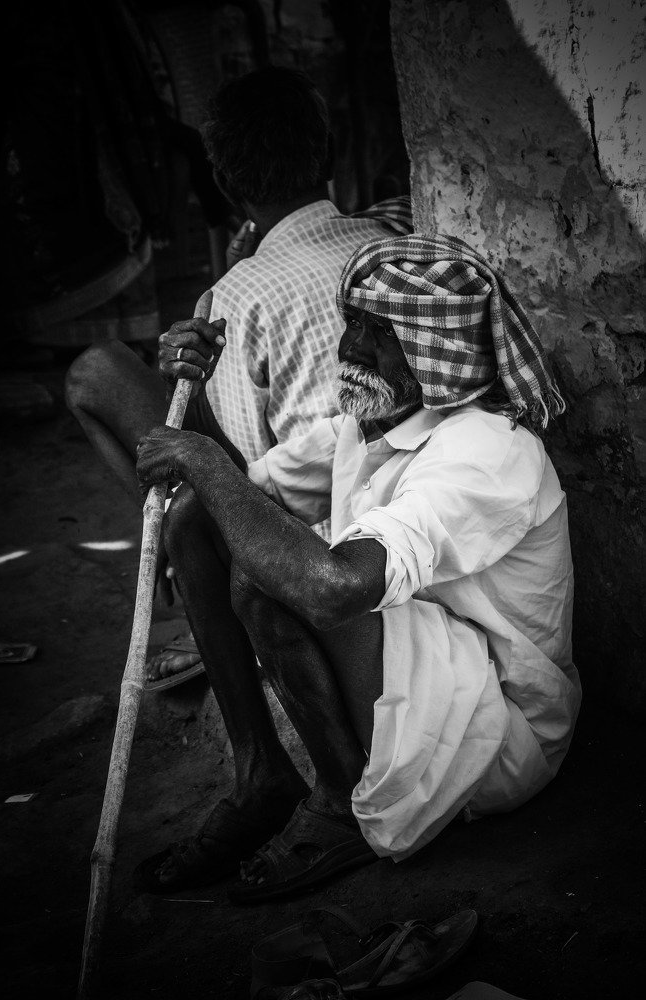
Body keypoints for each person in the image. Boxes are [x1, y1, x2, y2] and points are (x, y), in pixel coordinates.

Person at [134, 232, 581, 901]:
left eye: (383, 333)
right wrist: (195, 396)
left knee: (276, 576)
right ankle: (261, 777)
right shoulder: (372, 422)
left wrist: (202, 458)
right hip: (413, 681)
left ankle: (340, 801)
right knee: (196, 518)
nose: (353, 347)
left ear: (441, 351)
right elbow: (237, 504)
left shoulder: (485, 451)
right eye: (357, 323)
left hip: (495, 732)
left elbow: (334, 589)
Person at [65, 65, 412, 686]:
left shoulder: (236, 295)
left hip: (312, 554)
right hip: (393, 524)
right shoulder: (392, 236)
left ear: (225, 183)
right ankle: (182, 550)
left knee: (99, 377)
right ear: (329, 154)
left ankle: (192, 575)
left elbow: (245, 476)